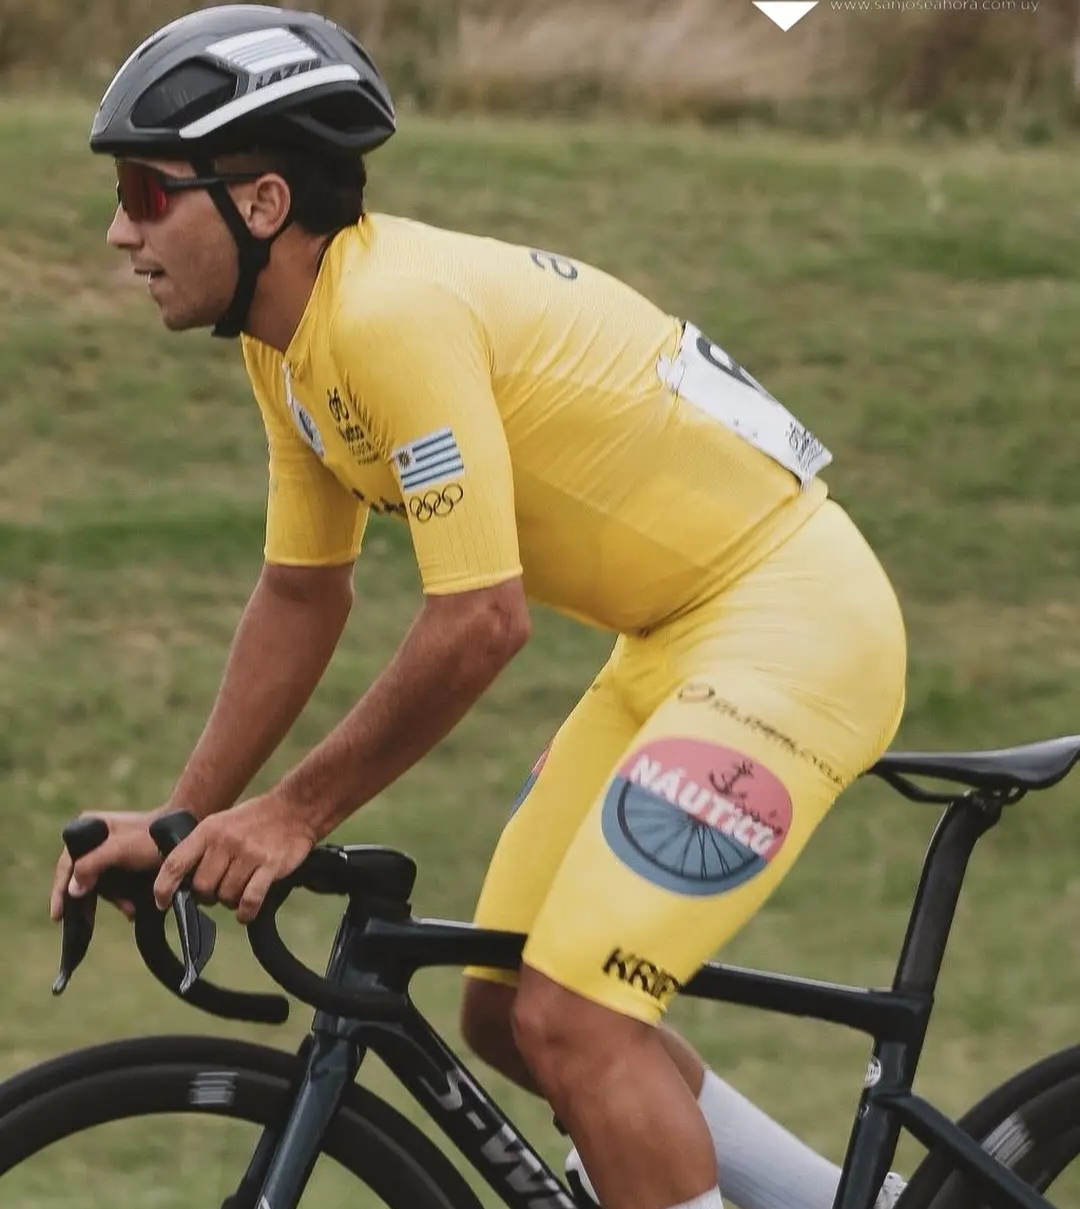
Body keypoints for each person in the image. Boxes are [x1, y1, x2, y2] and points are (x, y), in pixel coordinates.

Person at [49, 8, 909, 1209]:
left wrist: (294, 812)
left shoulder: (386, 318)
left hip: (793, 629)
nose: (119, 230)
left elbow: (480, 621)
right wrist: (189, 816)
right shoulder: (289, 344)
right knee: (506, 1015)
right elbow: (302, 591)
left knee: (579, 1020)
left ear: (261, 203)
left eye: (147, 193)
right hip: (673, 641)